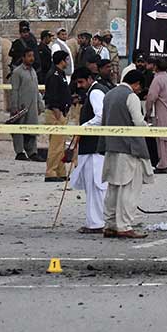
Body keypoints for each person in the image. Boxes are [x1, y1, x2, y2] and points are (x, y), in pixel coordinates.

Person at [101, 69, 152, 239]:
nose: (139, 90)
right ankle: (124, 226)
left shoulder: (108, 95)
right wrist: (149, 128)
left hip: (111, 147)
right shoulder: (131, 97)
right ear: (136, 83)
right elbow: (138, 122)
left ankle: (109, 225)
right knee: (128, 189)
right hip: (128, 149)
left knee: (113, 188)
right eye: (139, 87)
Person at [67, 67, 108, 234]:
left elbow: (100, 116)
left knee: (96, 186)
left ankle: (96, 223)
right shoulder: (96, 90)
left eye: (81, 82)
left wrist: (83, 128)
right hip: (93, 147)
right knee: (94, 186)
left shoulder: (95, 93)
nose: (80, 86)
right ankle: (96, 221)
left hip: (94, 148)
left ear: (89, 79)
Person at [10, 48, 45, 162]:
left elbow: (36, 89)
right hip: (21, 106)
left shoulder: (33, 71)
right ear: (23, 57)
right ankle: (19, 152)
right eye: (29, 56)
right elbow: (14, 90)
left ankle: (32, 152)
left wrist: (40, 104)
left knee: (32, 128)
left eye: (32, 56)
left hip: (32, 106)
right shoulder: (17, 72)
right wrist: (14, 106)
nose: (31, 58)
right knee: (19, 129)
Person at [43, 50, 73, 182]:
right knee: (55, 145)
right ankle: (51, 172)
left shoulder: (60, 74)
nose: (67, 62)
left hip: (62, 112)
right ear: (61, 61)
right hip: (55, 114)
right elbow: (52, 97)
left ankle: (60, 171)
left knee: (61, 145)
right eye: (66, 59)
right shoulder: (54, 75)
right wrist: (58, 114)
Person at [145, 57, 167, 173]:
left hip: (161, 112)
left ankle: (162, 165)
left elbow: (151, 97)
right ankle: (166, 162)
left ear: (156, 67)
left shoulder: (157, 79)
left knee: (161, 140)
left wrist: (147, 112)